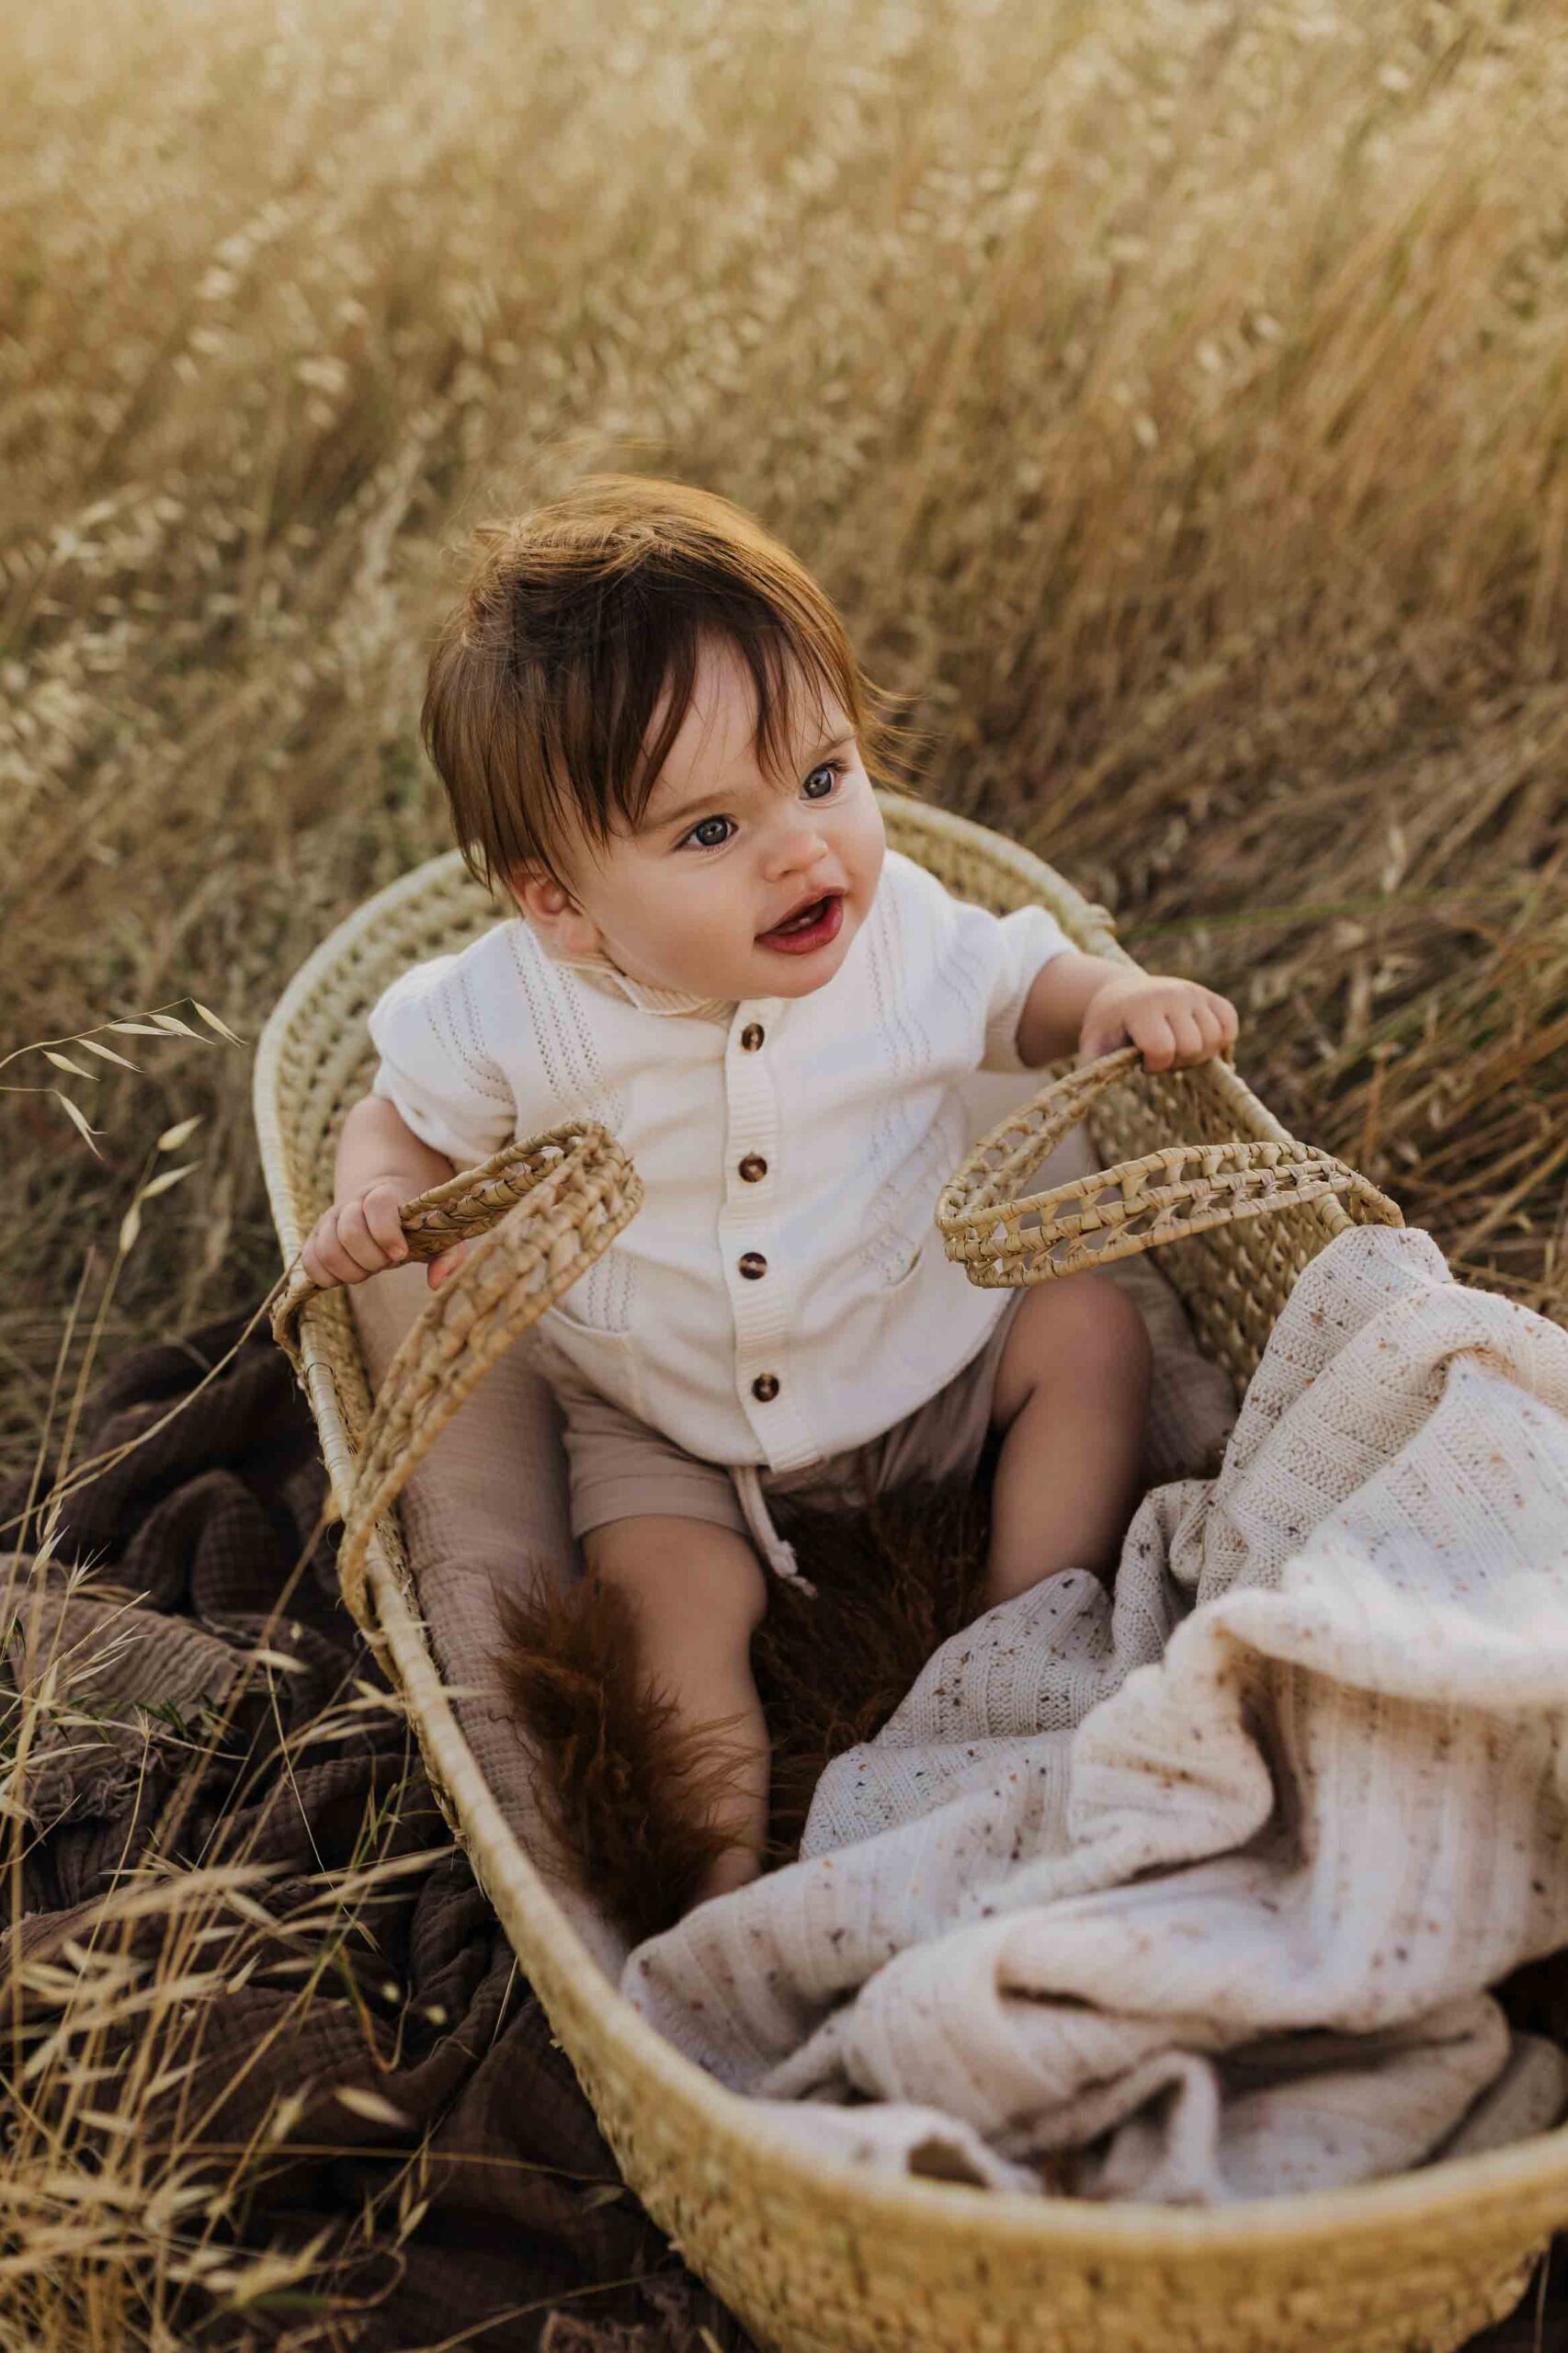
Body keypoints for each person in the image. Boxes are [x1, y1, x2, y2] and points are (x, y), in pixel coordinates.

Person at [302, 475, 1239, 1907]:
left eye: (822, 777)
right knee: (661, 1615)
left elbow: (1019, 990)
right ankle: (715, 1897)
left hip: (928, 1352)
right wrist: (379, 1198)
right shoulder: (509, 1011)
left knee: (1088, 1334)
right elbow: (400, 1117)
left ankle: (1017, 1646)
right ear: (556, 901)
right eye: (707, 833)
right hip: (668, 1421)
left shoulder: (900, 930)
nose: (805, 848)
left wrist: (1116, 998)